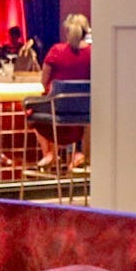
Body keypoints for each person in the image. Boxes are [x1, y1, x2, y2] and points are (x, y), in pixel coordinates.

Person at [34, 14, 92, 166]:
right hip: (83, 115)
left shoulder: (56, 51)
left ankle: (49, 153)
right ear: (86, 32)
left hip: (56, 113)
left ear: (67, 31)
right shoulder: (94, 54)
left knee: (31, 111)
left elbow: (43, 81)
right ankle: (78, 154)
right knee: (81, 118)